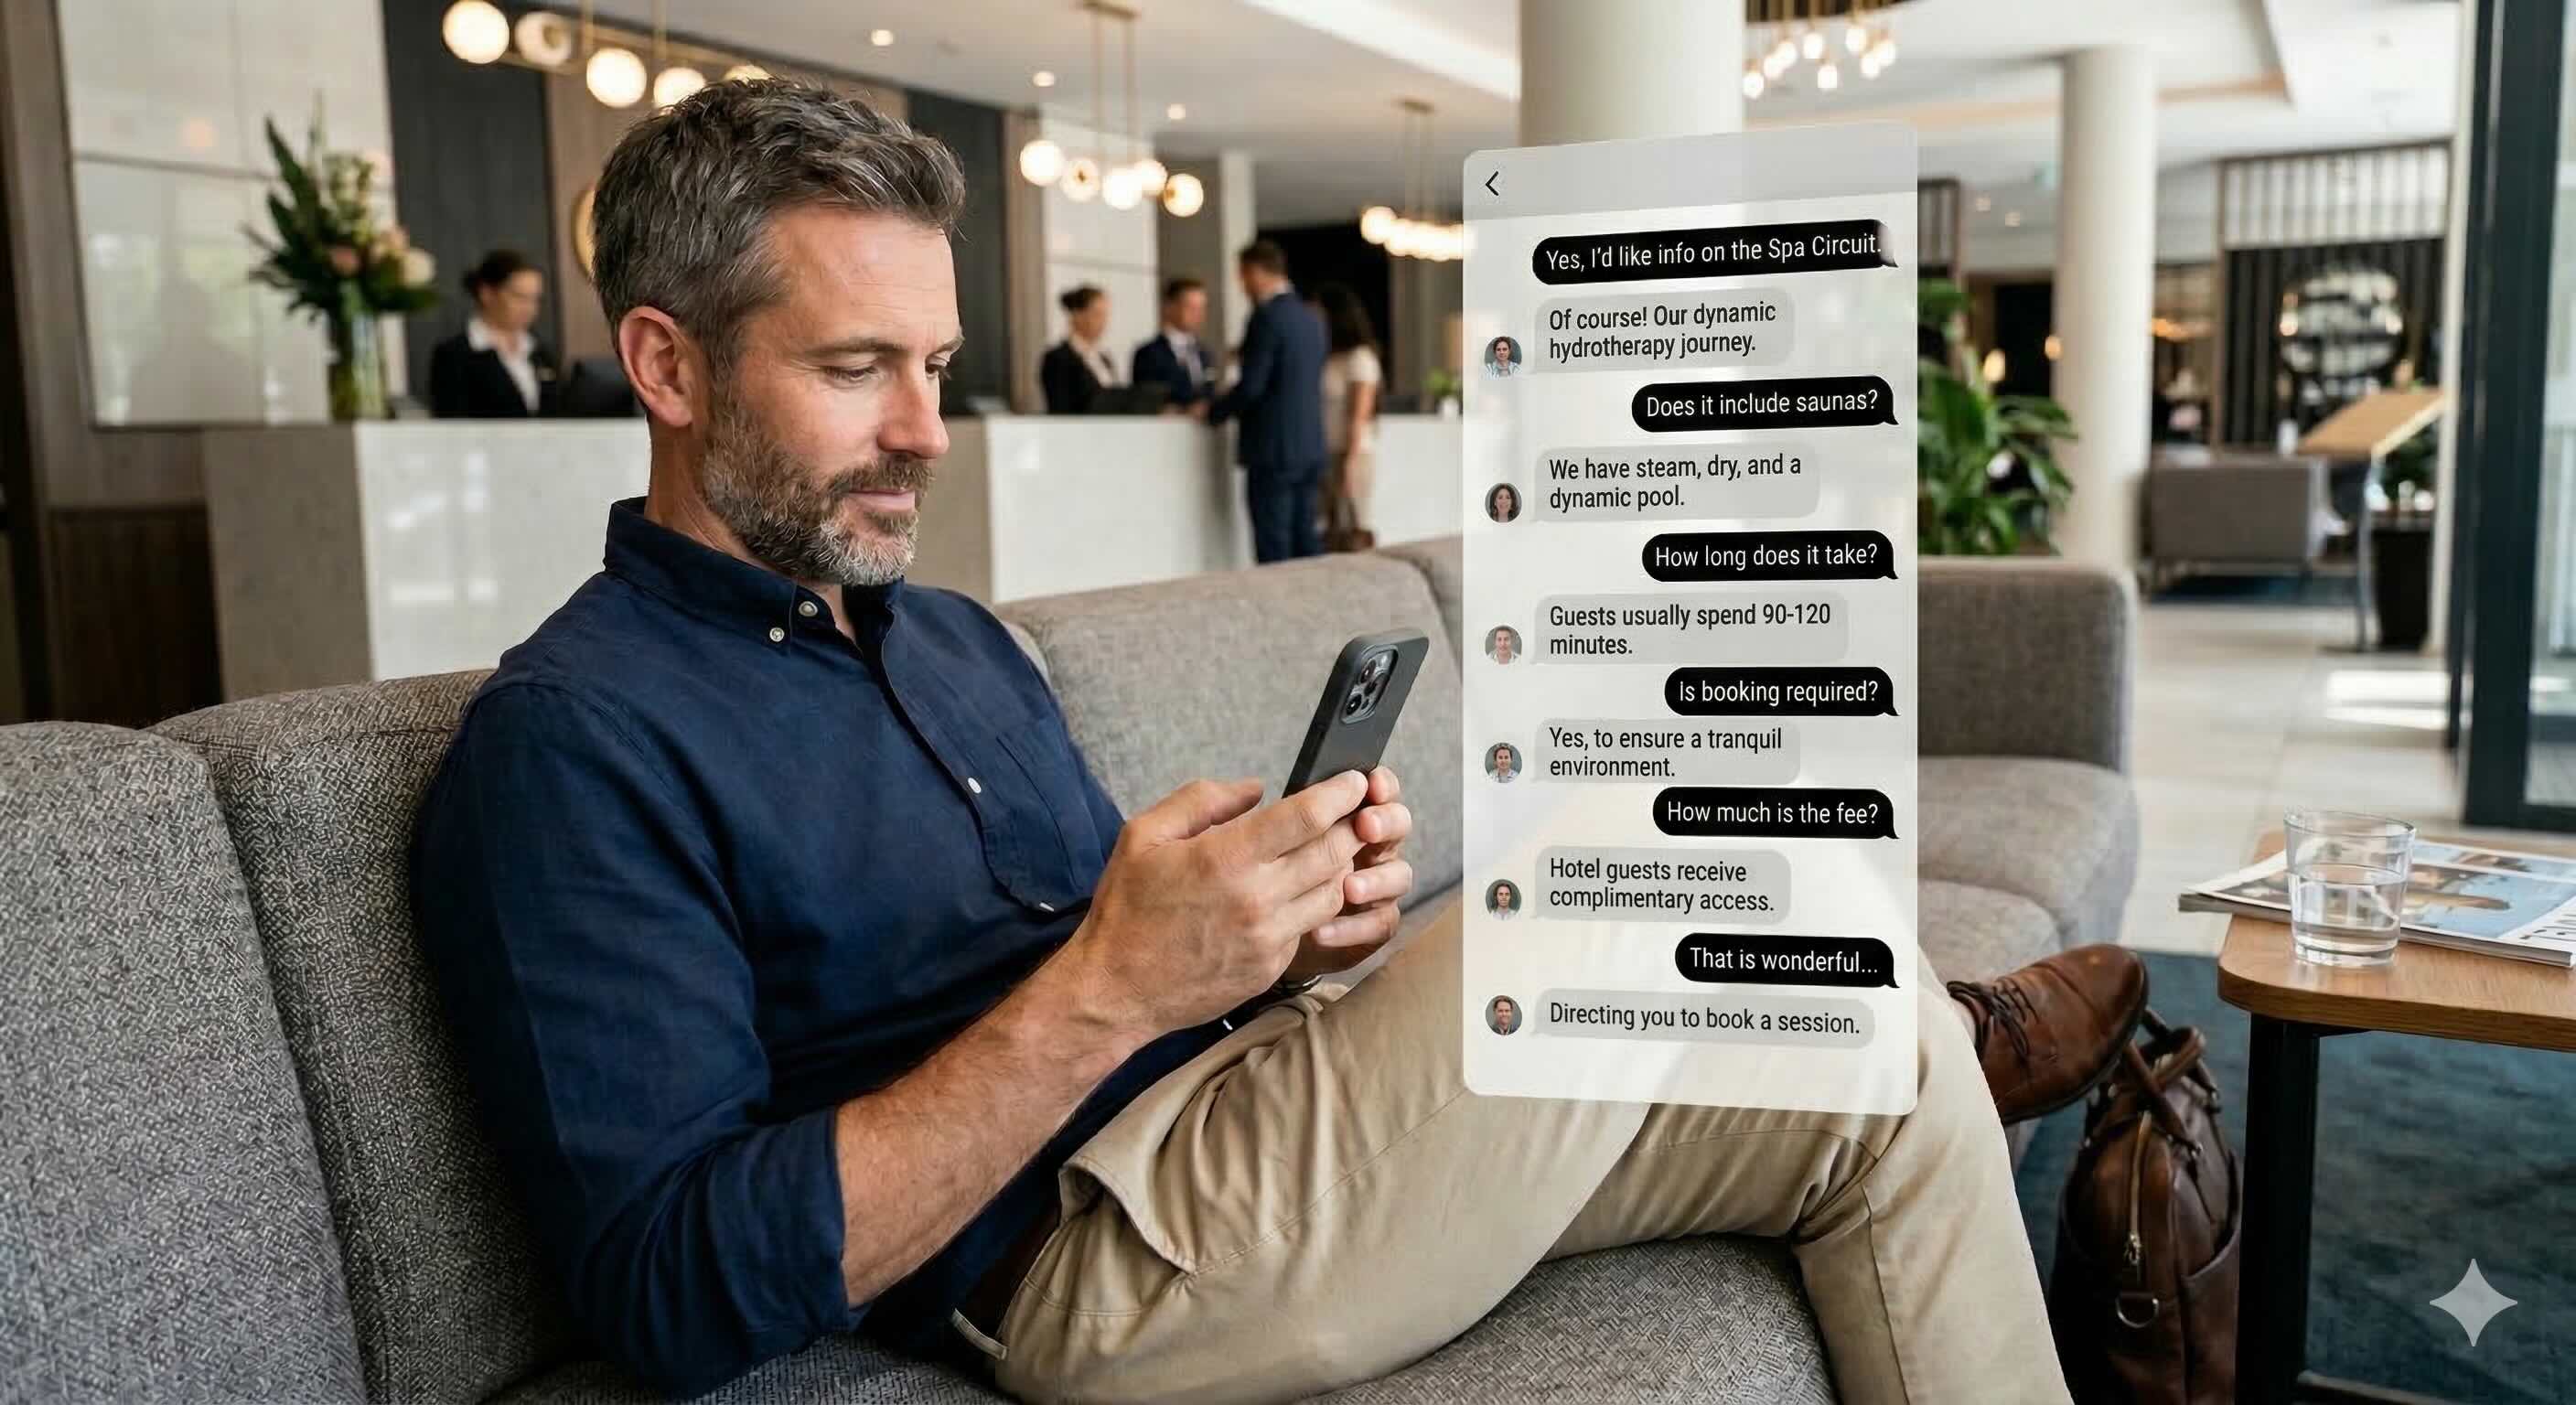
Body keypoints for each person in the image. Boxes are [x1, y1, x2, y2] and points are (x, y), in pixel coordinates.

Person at [412, 79, 2139, 1405]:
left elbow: (1119, 969)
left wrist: (1272, 936)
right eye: (859, 367)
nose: (927, 432)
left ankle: (1936, 1026)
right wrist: (1114, 982)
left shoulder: (945, 640)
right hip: (1085, 1262)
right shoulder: (576, 746)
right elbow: (661, 1284)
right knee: (1637, 878)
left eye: (937, 363)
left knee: (1873, 1068)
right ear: (667, 364)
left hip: (1246, 1109)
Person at [1208, 240, 1329, 563]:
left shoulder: (1266, 318)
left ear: (1256, 272)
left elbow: (1252, 387)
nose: (1242, 285)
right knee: (1307, 543)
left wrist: (1212, 412)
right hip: (1310, 447)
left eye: (1242, 276)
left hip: (1273, 451)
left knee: (1274, 549)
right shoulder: (1312, 319)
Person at [429, 249, 558, 418]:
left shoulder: (539, 351)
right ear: (487, 294)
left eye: (534, 299)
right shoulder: (454, 354)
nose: (530, 309)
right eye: (520, 297)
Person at [1315, 282, 1383, 551]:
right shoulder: (1330, 358)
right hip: (1326, 451)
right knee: (1330, 527)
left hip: (1351, 452)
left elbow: (1359, 414)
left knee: (1353, 525)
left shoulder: (1361, 358)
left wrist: (1349, 463)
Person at [1131, 276, 1214, 413]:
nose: (1198, 314)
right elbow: (1147, 400)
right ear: (1170, 307)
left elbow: (1210, 392)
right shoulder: (1148, 353)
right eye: (1191, 307)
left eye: (1201, 308)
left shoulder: (1205, 353)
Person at [1039, 285, 1120, 414]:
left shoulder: (1104, 358)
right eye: (1097, 315)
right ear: (1078, 315)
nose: (1104, 322)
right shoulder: (1058, 358)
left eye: (1105, 315)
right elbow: (1061, 407)